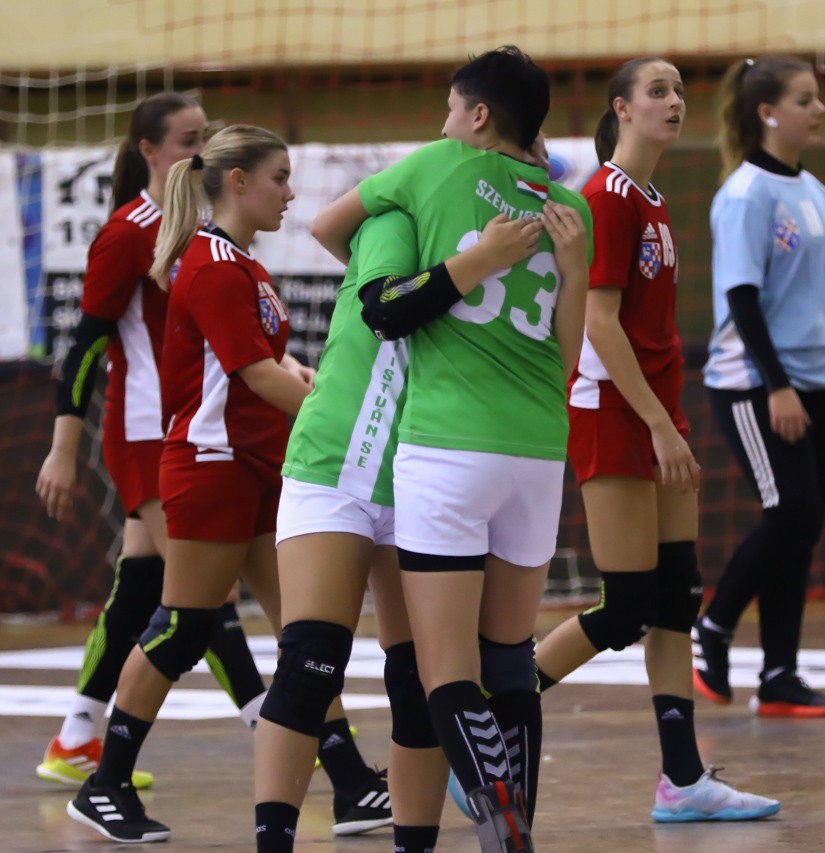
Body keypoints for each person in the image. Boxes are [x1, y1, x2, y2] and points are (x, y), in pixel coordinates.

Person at [65, 125, 384, 844]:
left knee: (304, 634)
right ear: (238, 182)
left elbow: (265, 367)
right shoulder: (210, 264)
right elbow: (254, 375)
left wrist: (309, 380)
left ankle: (354, 783)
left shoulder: (242, 264)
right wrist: (348, 421)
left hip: (255, 466)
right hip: (211, 466)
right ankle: (104, 782)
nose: (291, 193)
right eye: (280, 177)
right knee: (183, 626)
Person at [311, 45, 590, 852]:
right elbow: (568, 359)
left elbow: (329, 228)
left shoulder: (433, 167)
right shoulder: (570, 208)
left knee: (444, 671)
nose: (443, 123)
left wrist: (419, 268)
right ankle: (518, 822)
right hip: (538, 450)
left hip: (447, 448)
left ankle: (496, 811)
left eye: (449, 109)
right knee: (511, 660)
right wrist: (570, 269)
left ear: (478, 115)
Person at [515, 56, 780, 823]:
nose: (674, 102)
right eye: (657, 91)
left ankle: (683, 778)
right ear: (621, 108)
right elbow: (598, 324)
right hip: (612, 411)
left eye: (679, 91)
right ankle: (488, 717)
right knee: (627, 604)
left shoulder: (652, 199)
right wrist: (661, 425)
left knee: (676, 598)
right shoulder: (605, 195)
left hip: (657, 411)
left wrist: (667, 418)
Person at [252, 204, 547, 853]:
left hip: (423, 474)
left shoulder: (500, 246)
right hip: (333, 464)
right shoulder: (398, 222)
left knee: (417, 681)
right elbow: (374, 293)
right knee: (309, 666)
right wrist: (476, 257)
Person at [33, 93, 268, 790]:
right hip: (146, 432)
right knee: (205, 594)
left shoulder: (202, 226)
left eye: (205, 138)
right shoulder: (129, 231)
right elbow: (86, 342)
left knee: (142, 586)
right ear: (148, 151)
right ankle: (284, 728)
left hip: (184, 426)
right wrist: (63, 447)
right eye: (187, 141)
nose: (199, 152)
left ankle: (77, 736)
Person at [693, 55, 825, 718]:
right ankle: (713, 627)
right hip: (754, 382)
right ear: (768, 112)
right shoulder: (745, 194)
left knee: (804, 527)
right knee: (791, 513)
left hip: (821, 379)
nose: (819, 110)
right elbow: (741, 298)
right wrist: (777, 386)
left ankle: (778, 675)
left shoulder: (815, 191)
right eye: (805, 99)